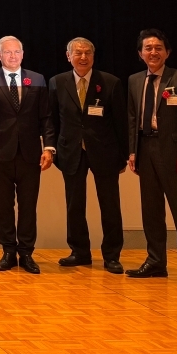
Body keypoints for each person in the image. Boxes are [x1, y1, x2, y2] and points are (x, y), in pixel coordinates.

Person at [125, 29, 177, 291]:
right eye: (148, 48)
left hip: (173, 152)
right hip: (145, 149)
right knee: (151, 211)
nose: (153, 52)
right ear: (140, 54)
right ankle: (156, 262)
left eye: (158, 48)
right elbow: (133, 118)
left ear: (167, 52)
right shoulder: (135, 80)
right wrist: (132, 152)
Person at [49, 37, 127, 274]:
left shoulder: (110, 82)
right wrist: (52, 149)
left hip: (105, 153)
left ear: (93, 56)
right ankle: (79, 252)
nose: (83, 57)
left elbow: (121, 123)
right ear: (68, 56)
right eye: (78, 53)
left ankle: (112, 255)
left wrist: (124, 155)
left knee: (110, 205)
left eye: (87, 53)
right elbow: (52, 120)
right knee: (74, 205)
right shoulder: (57, 82)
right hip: (70, 152)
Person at [0, 35, 55, 274]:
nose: (13, 56)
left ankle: (26, 253)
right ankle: (8, 252)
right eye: (7, 52)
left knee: (28, 206)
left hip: (30, 154)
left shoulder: (38, 79)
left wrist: (49, 147)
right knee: (4, 206)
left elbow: (46, 117)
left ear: (23, 54)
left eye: (17, 52)